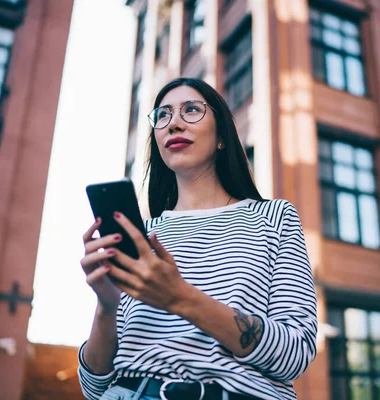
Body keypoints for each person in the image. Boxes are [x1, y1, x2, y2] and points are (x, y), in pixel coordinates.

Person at [77, 78, 317, 400]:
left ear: (221, 136)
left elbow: (295, 354)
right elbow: (94, 388)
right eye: (163, 115)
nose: (173, 123)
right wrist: (107, 306)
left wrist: (179, 297)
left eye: (191, 110)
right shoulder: (143, 235)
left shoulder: (273, 218)